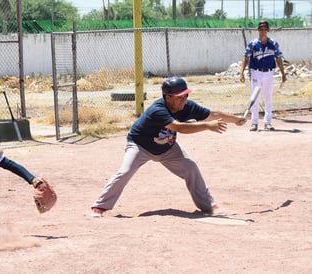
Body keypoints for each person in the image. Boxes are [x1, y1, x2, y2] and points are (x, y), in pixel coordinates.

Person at [91, 77, 247, 217]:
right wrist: (207, 126)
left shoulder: (187, 106)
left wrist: (235, 119)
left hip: (167, 148)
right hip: (140, 146)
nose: (184, 99)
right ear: (167, 97)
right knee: (125, 171)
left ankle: (207, 205)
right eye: (179, 97)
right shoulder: (158, 110)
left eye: (186, 95)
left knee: (191, 168)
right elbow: (178, 127)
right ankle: (100, 206)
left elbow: (212, 114)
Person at [239, 20, 287, 131]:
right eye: (261, 29)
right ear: (258, 30)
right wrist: (241, 73)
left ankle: (267, 122)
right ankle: (254, 123)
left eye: (265, 29)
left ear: (268, 30)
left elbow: (279, 59)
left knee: (268, 98)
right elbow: (245, 58)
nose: (263, 31)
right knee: (255, 98)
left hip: (269, 73)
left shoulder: (273, 44)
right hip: (256, 72)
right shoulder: (253, 43)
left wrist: (283, 74)